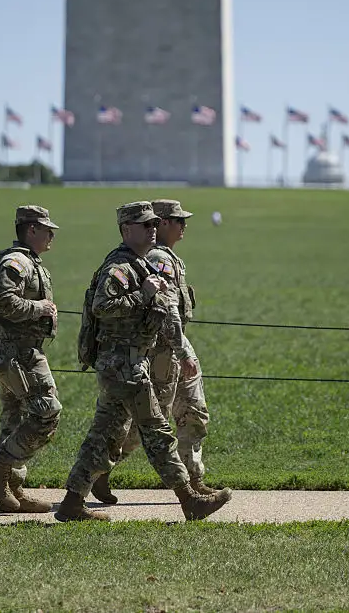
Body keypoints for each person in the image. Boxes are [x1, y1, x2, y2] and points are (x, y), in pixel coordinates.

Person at [55, 201, 233, 522]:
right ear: (126, 230)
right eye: (145, 226)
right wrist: (145, 294)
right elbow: (102, 305)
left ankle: (72, 502)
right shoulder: (119, 267)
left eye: (154, 225)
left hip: (125, 364)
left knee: (103, 436)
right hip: (125, 365)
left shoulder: (138, 264)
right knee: (157, 432)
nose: (153, 230)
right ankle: (189, 500)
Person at [91, 199, 220, 504]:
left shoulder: (166, 257)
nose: (183, 225)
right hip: (164, 354)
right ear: (163, 223)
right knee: (148, 425)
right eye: (178, 220)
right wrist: (183, 351)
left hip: (177, 349)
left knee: (194, 413)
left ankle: (193, 480)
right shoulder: (159, 259)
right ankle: (97, 473)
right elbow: (167, 310)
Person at [0, 205, 61, 513]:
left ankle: (12, 491)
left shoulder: (28, 261)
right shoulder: (16, 262)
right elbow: (2, 302)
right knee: (47, 413)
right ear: (31, 230)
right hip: (18, 355)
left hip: (18, 353)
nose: (52, 234)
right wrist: (40, 308)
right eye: (46, 228)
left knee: (13, 419)